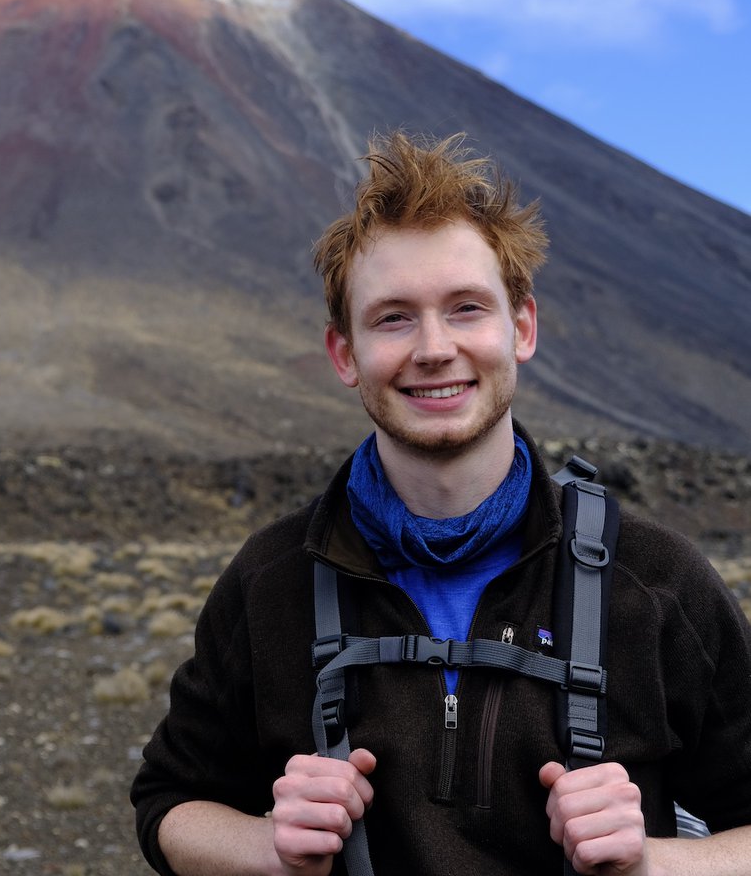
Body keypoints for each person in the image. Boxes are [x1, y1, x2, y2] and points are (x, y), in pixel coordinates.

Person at [130, 131, 751, 875]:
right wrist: (271, 848)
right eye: (393, 317)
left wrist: (651, 863)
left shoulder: (656, 582)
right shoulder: (273, 582)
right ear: (344, 354)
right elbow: (168, 803)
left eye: (465, 309)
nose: (433, 348)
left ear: (520, 328)